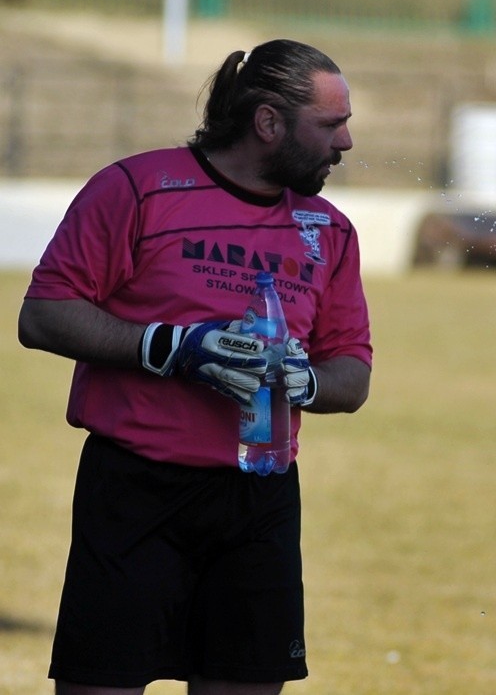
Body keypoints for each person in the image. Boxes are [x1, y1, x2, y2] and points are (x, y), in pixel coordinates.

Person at [17, 39, 372, 695]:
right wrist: (173, 349)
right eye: (330, 125)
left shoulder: (330, 231)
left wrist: (305, 383)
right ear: (268, 123)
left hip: (259, 499)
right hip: (134, 490)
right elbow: (43, 315)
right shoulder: (138, 189)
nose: (345, 142)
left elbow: (352, 372)